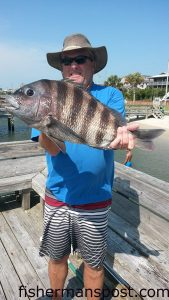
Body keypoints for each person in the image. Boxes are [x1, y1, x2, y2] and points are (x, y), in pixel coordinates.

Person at [31, 33, 138, 300]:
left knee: (94, 263)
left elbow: (113, 135)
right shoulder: (49, 95)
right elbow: (54, 148)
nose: (73, 65)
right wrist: (45, 125)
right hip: (58, 196)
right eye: (67, 61)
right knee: (57, 258)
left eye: (80, 59)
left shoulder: (110, 95)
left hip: (95, 199)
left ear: (93, 63)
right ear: (61, 67)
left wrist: (123, 140)